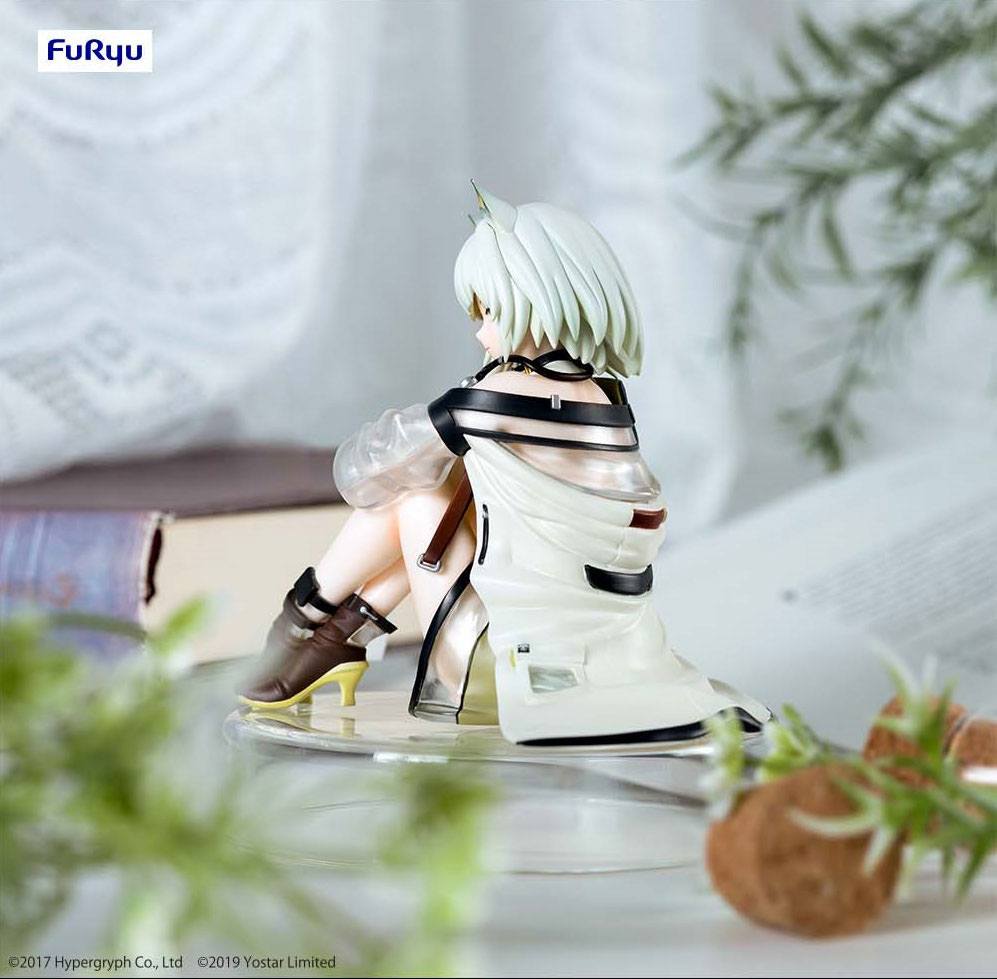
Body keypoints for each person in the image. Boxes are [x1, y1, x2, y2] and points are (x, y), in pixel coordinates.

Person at [240, 185, 768, 746]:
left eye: (488, 310)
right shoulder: (606, 399)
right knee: (453, 481)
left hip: (504, 667)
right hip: (604, 652)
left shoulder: (497, 397)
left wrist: (454, 414)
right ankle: (333, 635)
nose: (479, 331)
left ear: (535, 300)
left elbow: (359, 474)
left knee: (413, 493)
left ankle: (304, 621)